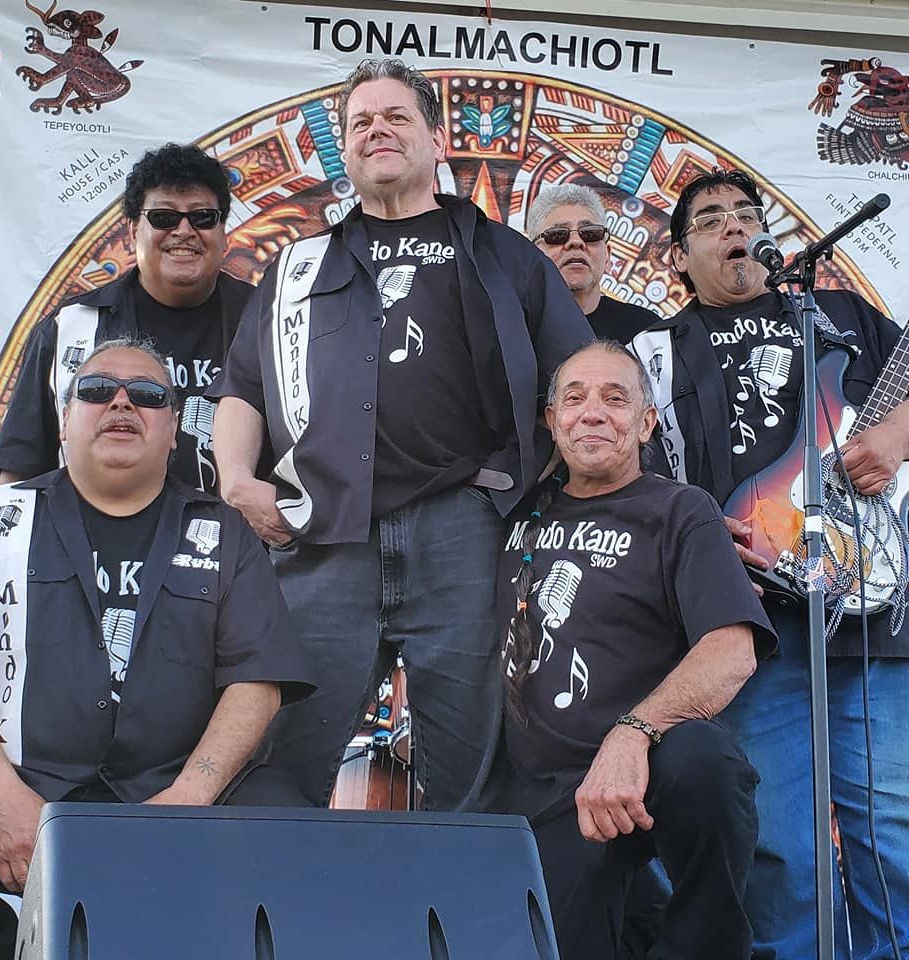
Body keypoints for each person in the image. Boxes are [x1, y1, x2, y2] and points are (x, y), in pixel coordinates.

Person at [209, 57, 589, 811]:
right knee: (281, 758)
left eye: (395, 117)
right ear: (344, 150)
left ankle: (455, 893)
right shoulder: (298, 267)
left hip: (464, 529)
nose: (376, 130)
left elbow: (575, 378)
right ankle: (274, 890)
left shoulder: (505, 253)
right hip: (324, 532)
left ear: (436, 139)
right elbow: (242, 387)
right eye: (360, 122)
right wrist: (236, 480)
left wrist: (531, 496)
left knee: (468, 773)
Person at [0, 340, 314, 960]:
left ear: (173, 431)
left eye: (147, 395)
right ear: (64, 422)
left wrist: (190, 797)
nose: (121, 403)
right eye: (96, 390)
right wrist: (1, 796)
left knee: (288, 839)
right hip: (19, 781)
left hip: (173, 787)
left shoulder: (224, 532)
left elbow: (257, 682)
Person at [631, 167, 909, 959]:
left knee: (891, 830)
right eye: (710, 219)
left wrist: (895, 436)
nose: (733, 225)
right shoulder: (655, 352)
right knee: (780, 848)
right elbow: (630, 474)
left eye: (746, 213)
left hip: (868, 615)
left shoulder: (841, 314)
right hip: (750, 629)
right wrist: (697, 532)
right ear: (679, 257)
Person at [489, 340, 775, 960]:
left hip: (647, 768)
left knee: (705, 763)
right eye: (574, 399)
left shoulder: (680, 509)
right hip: (542, 799)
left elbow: (732, 649)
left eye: (615, 398)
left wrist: (633, 733)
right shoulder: (513, 513)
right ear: (552, 421)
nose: (592, 412)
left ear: (646, 423)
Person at [0, 142, 253, 495]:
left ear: (223, 233)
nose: (184, 231)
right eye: (163, 217)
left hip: (236, 531)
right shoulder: (71, 327)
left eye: (202, 217)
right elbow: (19, 469)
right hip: (88, 531)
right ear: (133, 232)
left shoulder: (268, 319)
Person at [527, 183, 658, 344]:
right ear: (531, 255)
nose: (576, 242)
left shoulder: (646, 333)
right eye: (557, 235)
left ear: (607, 255)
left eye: (590, 233)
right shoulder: (510, 329)